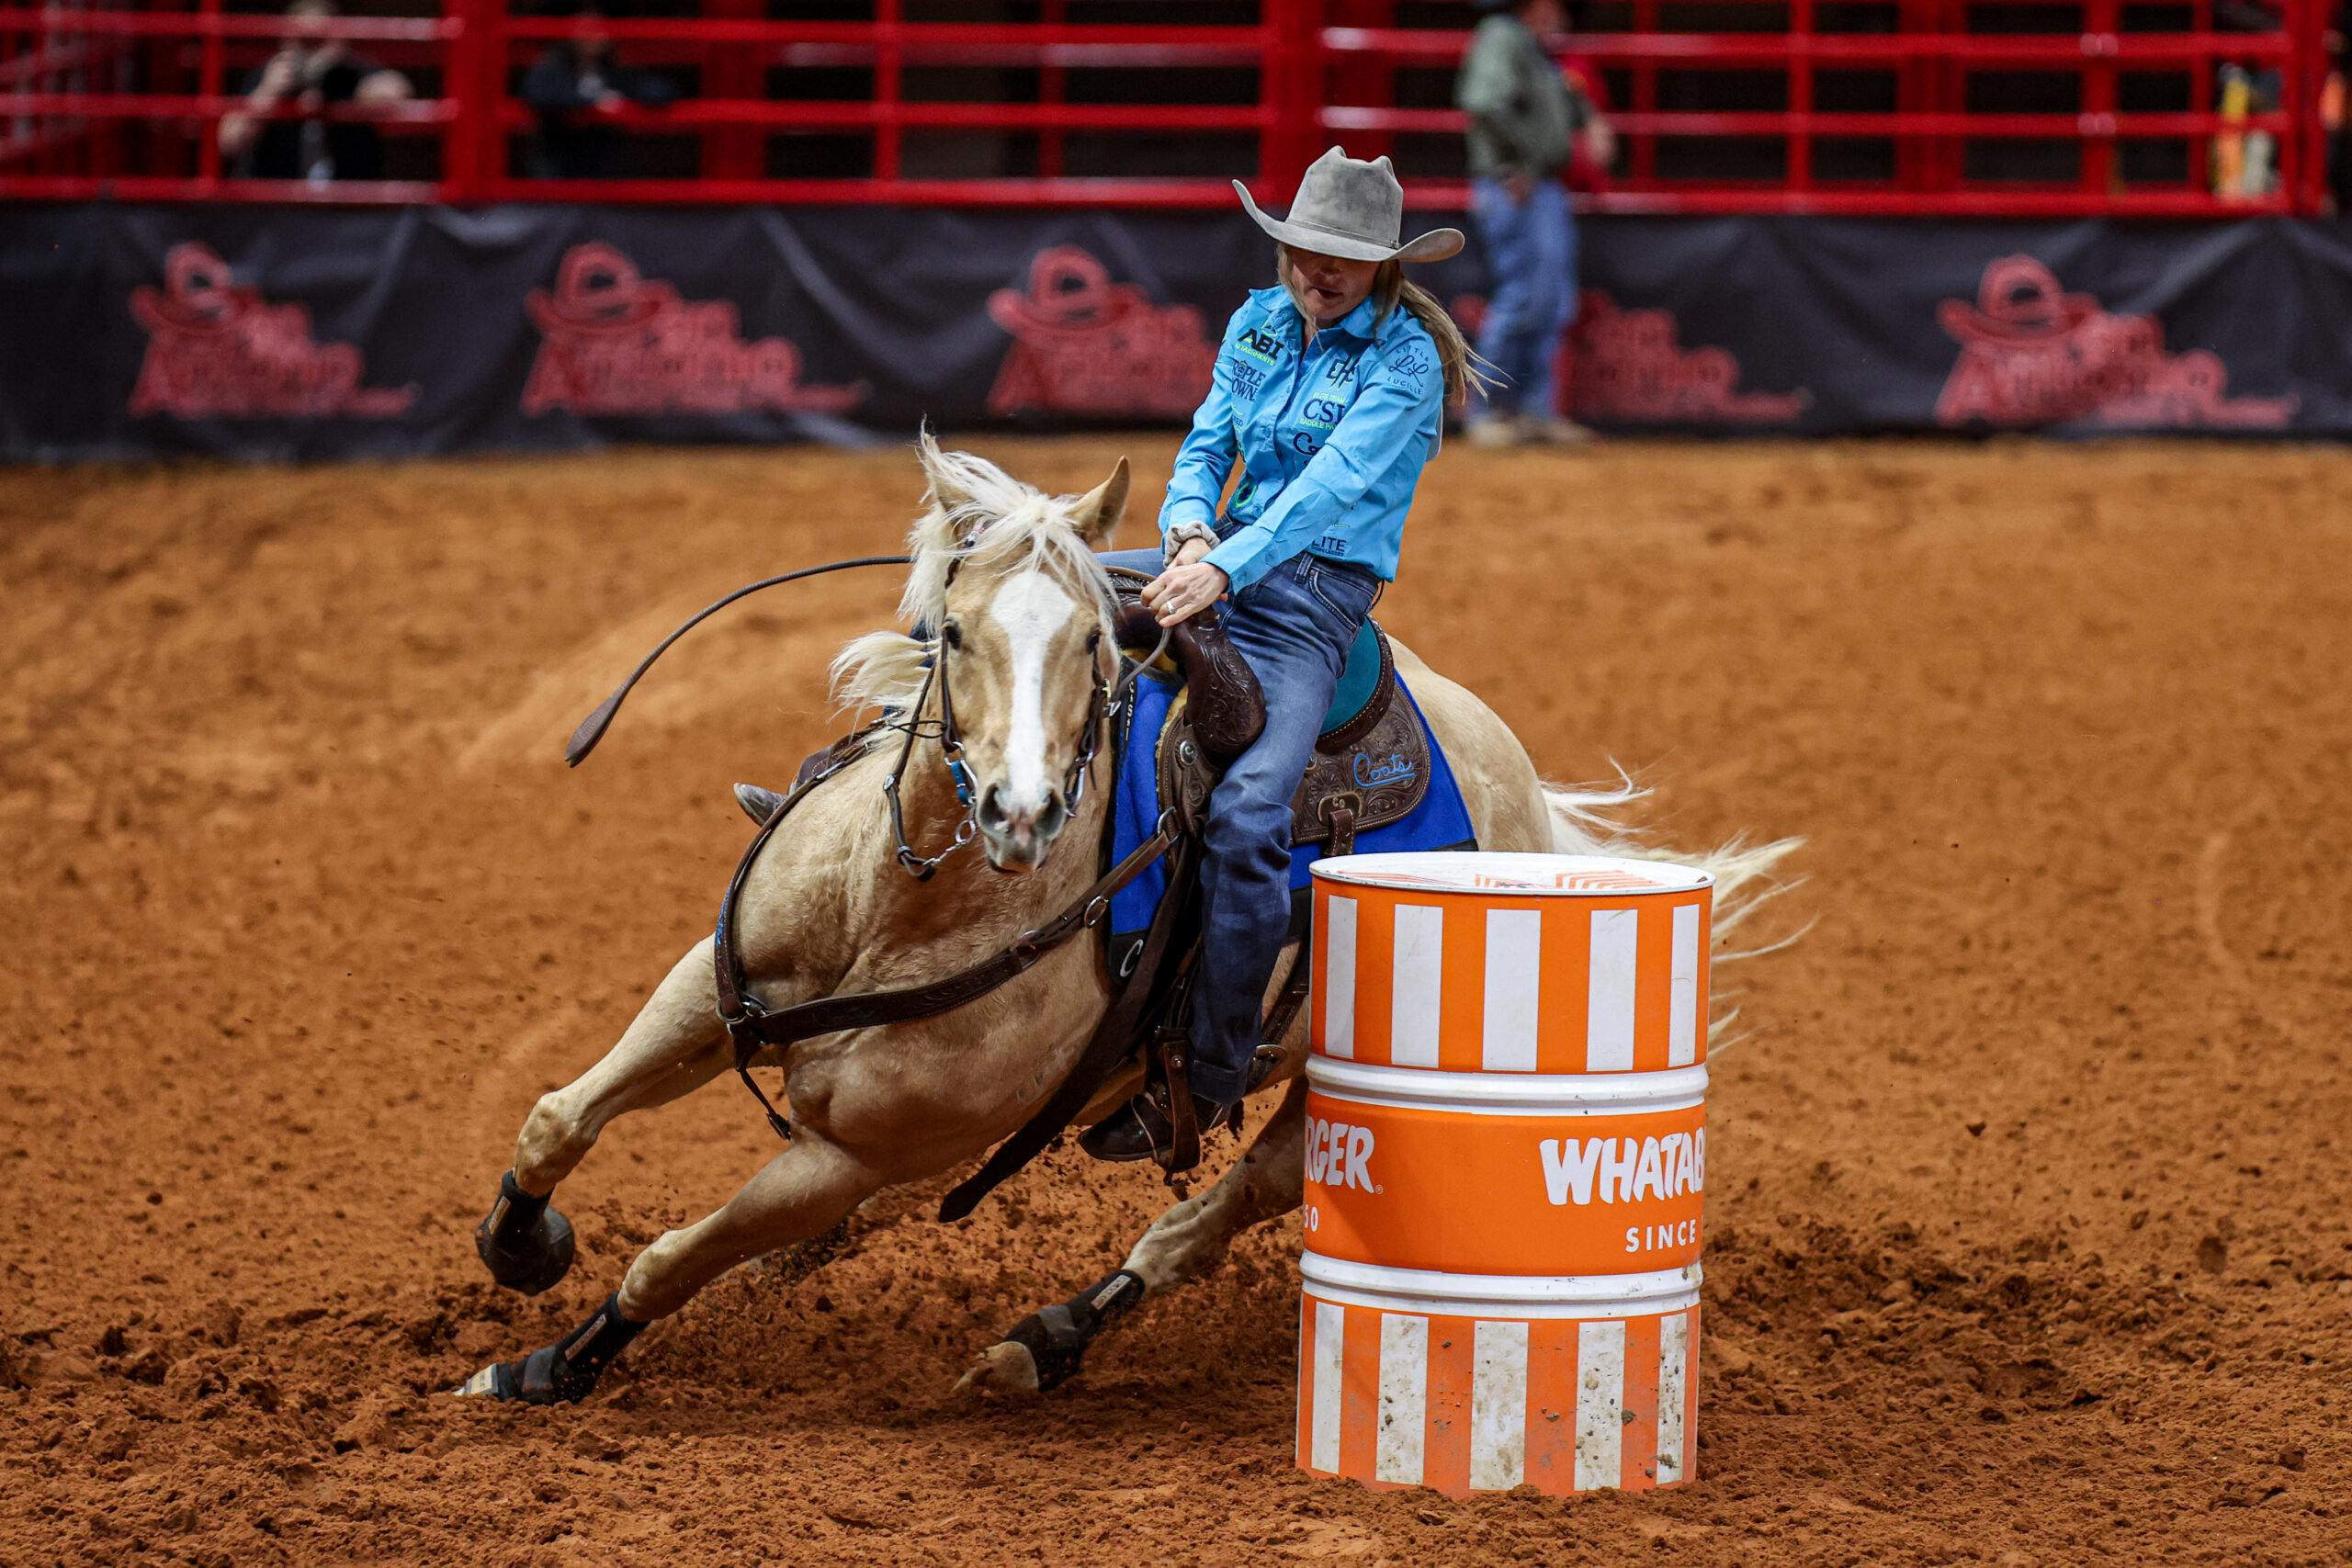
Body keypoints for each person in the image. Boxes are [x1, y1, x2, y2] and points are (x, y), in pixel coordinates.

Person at [1079, 149, 1476, 1162]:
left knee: (1252, 814)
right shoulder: (1255, 320)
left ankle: (1207, 1077)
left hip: (1311, 596)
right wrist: (1185, 534)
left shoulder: (1403, 361)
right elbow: (1207, 445)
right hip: (1217, 557)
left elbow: (1330, 492)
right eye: (1306, 249)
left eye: (1342, 256)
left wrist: (1226, 565)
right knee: (1012, 596)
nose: (1318, 270)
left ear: (1383, 265)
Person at [1455, 0, 1615, 446]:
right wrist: (1513, 163)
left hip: (1541, 186)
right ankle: (1485, 413)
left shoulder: (1529, 47)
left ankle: (1535, 412)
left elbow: (1556, 96)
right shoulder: (1503, 36)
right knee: (1525, 297)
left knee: (1551, 300)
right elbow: (1484, 102)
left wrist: (1587, 117)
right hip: (1517, 185)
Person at [218, 0, 412, 183]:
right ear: (286, 41)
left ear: (338, 40)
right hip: (278, 209)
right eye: (304, 41)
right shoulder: (270, 75)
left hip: (348, 209)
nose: (311, 53)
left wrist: (346, 87)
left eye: (319, 41)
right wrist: (268, 91)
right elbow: (230, 142)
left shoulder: (353, 70)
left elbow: (398, 92)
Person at [522, 2, 678, 180]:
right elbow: (545, 97)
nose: (594, 34)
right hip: (558, 176)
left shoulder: (616, 73)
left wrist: (620, 100)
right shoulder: (551, 69)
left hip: (605, 180)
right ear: (567, 29)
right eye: (585, 26)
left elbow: (660, 93)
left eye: (601, 27)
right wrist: (598, 103)